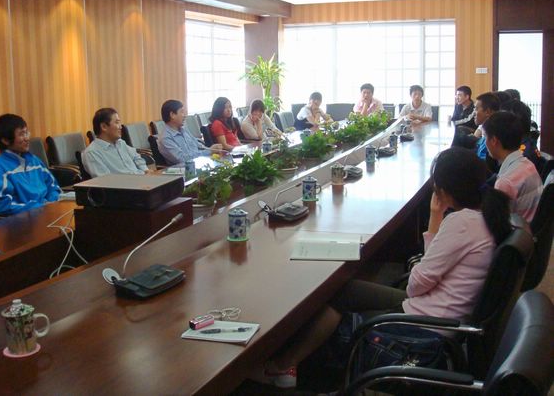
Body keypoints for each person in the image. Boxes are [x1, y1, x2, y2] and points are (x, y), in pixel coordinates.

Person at [258, 147, 511, 388]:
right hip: (438, 310)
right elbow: (428, 271)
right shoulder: (488, 215)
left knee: (338, 301)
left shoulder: (461, 223)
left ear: (444, 191)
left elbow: (415, 285)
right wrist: (435, 223)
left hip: (427, 322)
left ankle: (287, 367)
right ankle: (288, 364)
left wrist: (434, 221)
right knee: (345, 290)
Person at [0, 114, 61, 216]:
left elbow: (53, 187)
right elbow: (3, 206)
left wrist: (52, 201)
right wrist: (40, 207)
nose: (27, 138)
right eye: (21, 134)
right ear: (5, 140)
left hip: (47, 213)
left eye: (26, 132)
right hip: (23, 220)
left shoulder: (34, 160)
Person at [483, 111, 543, 223]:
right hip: (528, 228)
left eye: (485, 137)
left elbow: (499, 225)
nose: (484, 142)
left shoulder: (505, 182)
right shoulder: (528, 165)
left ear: (494, 141)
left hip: (516, 230)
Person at [82, 108, 149, 178]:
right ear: (104, 127)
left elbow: (136, 156)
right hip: (127, 184)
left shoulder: (121, 143)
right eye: (117, 122)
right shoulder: (92, 153)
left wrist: (146, 170)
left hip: (142, 179)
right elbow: (105, 180)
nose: (121, 127)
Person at [158, 99, 223, 164]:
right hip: (185, 168)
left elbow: (198, 146)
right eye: (182, 112)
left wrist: (212, 149)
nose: (185, 115)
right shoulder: (165, 138)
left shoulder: (184, 130)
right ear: (172, 115)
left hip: (200, 162)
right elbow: (182, 159)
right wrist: (209, 151)